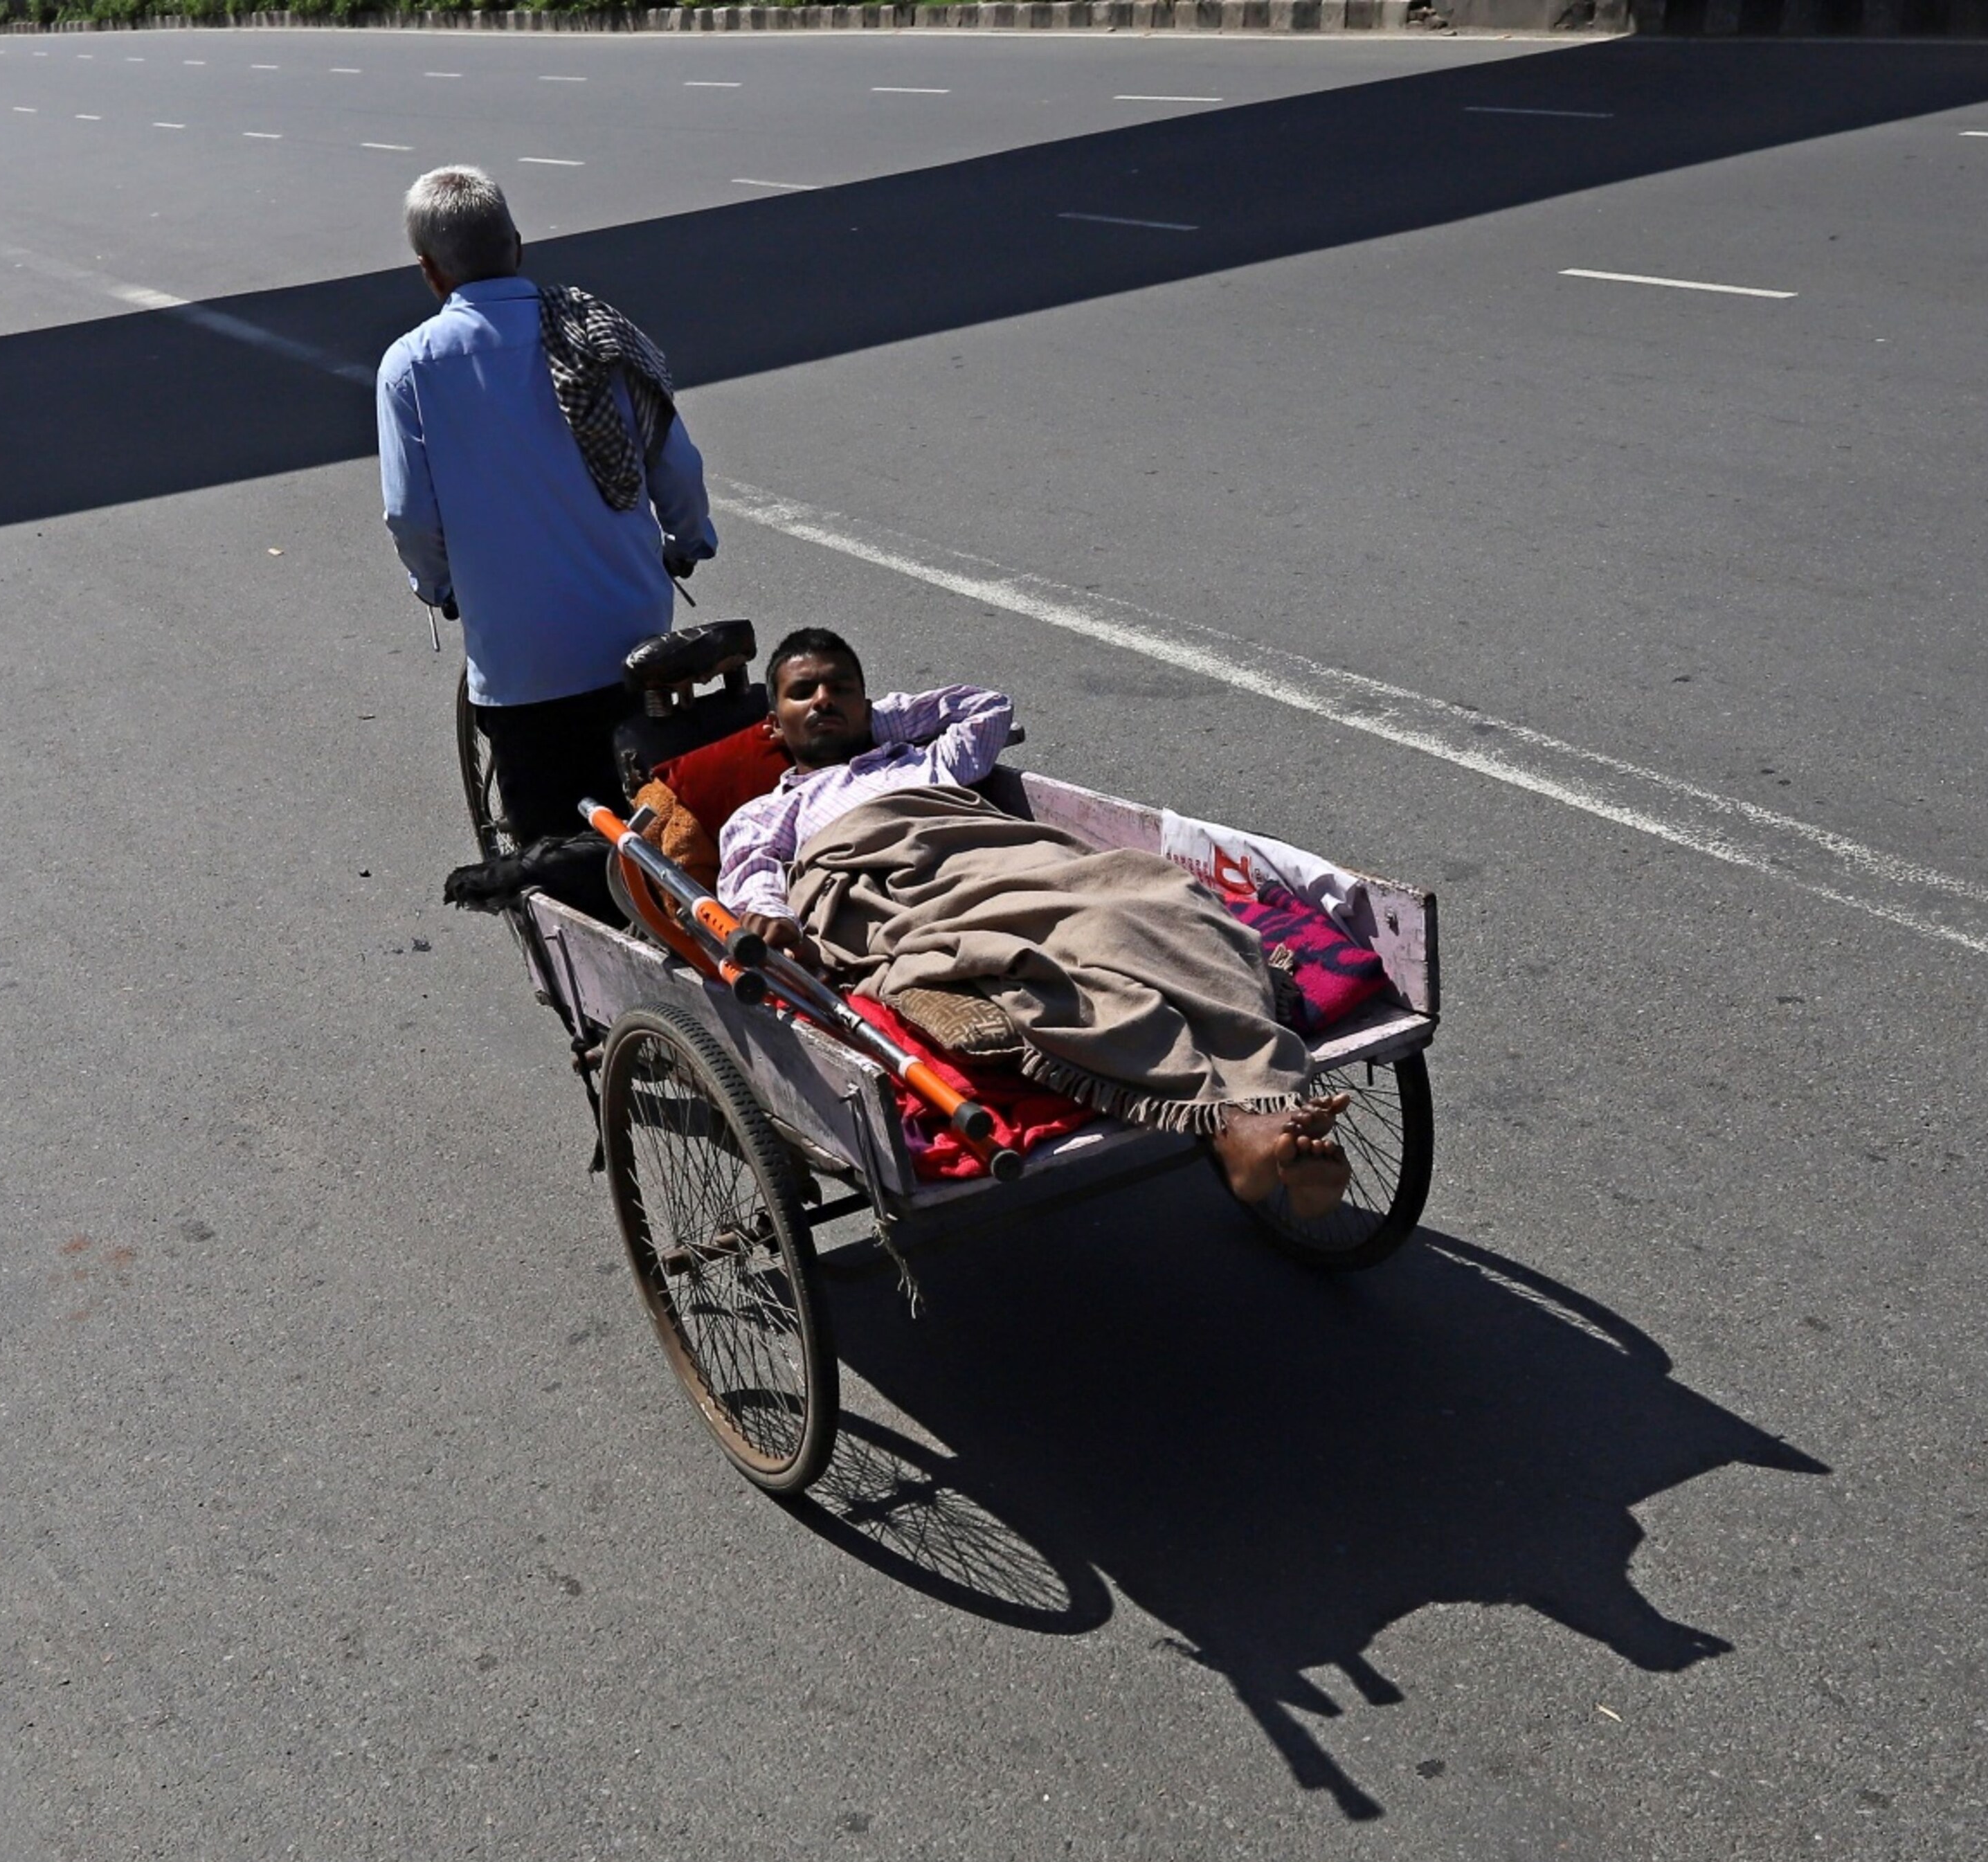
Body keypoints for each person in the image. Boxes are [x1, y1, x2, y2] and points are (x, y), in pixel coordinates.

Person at [714, 630, 1353, 1220]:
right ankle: (1235, 1125)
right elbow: (753, 874)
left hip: (1009, 857)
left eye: (841, 688)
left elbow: (987, 708)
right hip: (913, 890)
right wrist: (775, 919)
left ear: (868, 703)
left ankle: (1262, 1102)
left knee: (1166, 896)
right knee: (1059, 960)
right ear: (773, 723)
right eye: (804, 692)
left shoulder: (919, 763)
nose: (824, 700)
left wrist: (883, 721)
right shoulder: (772, 810)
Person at [376, 165, 716, 907]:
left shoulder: (411, 367)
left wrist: (437, 586)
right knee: (662, 828)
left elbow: (409, 516)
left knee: (554, 865)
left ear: (430, 271)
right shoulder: (597, 332)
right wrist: (688, 541)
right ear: (517, 246)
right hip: (634, 636)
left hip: (521, 667)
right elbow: (674, 462)